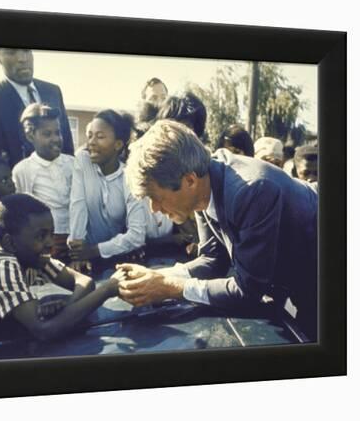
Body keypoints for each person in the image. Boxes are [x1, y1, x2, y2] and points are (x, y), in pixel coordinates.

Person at [118, 120, 318, 340]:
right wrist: (156, 277)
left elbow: (247, 291)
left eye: (156, 198)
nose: (154, 209)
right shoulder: (205, 180)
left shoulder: (251, 191)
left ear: (190, 181)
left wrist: (170, 287)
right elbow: (212, 260)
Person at [0, 194, 124, 343]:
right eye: (41, 236)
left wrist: (67, 307)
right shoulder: (0, 266)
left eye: (51, 233)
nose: (50, 243)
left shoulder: (32, 256)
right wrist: (108, 289)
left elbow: (84, 281)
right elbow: (44, 330)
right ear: (10, 242)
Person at [68, 110, 147, 273]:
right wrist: (77, 252)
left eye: (100, 136)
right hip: (83, 259)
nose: (91, 142)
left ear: (118, 144)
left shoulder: (130, 176)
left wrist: (93, 251)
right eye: (90, 135)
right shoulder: (83, 162)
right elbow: (78, 206)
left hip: (118, 260)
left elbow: (137, 235)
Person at [0, 48, 74, 167]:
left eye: (27, 51)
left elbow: (68, 148)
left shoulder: (53, 92)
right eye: (12, 52)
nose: (22, 59)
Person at [12, 103, 74, 261]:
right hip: (47, 242)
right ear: (31, 136)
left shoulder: (73, 164)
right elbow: (24, 213)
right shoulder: (23, 170)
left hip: (77, 238)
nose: (55, 139)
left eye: (58, 133)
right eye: (47, 134)